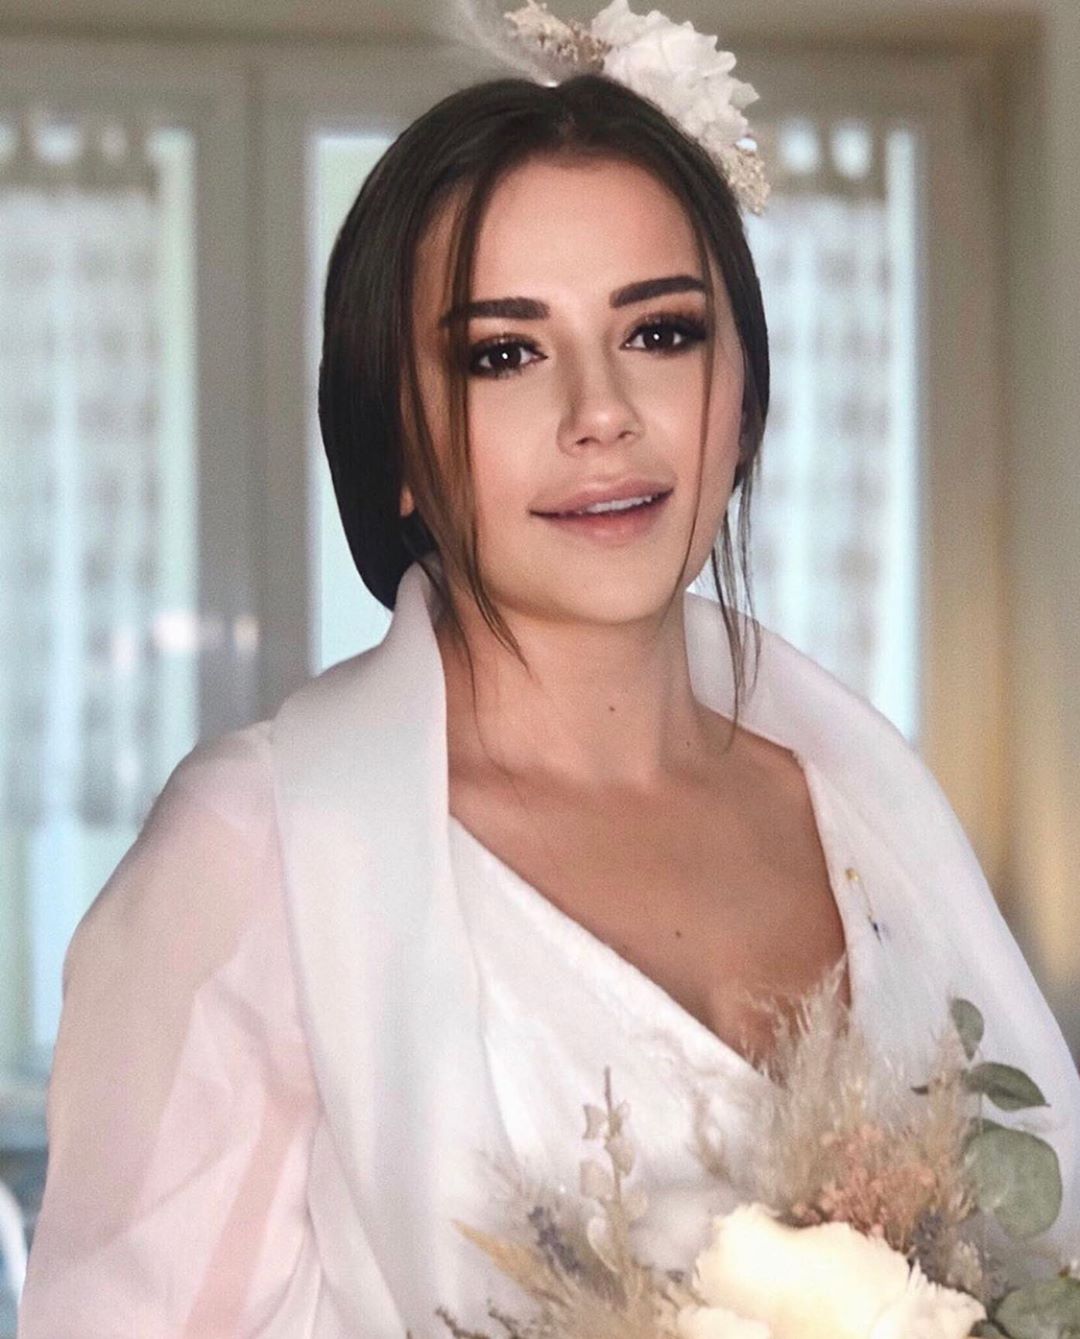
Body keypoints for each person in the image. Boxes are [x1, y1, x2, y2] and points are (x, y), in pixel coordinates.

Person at [17, 4, 1080, 1335]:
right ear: (395, 443)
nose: (602, 414)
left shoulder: (866, 811)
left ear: (744, 401)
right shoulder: (267, 849)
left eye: (661, 332)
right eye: (503, 353)